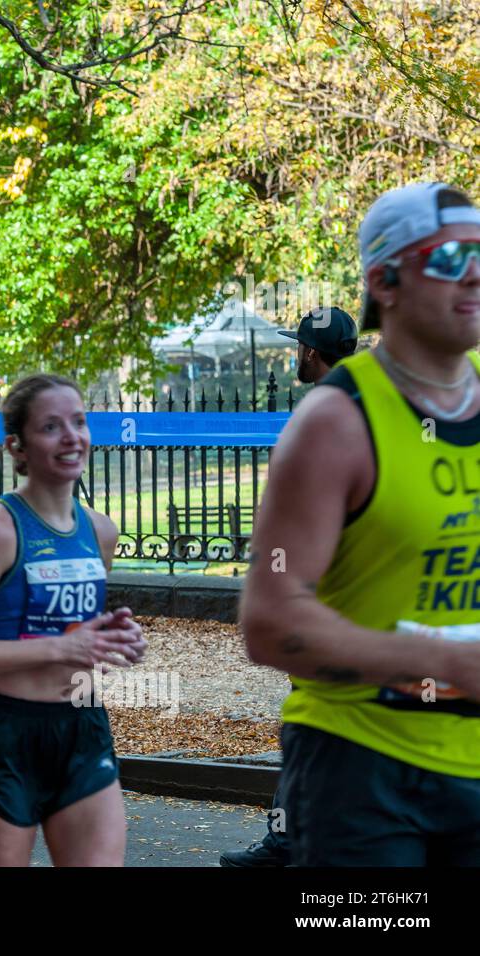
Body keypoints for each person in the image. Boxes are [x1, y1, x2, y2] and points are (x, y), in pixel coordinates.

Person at [241, 182, 480, 866]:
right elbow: (271, 623)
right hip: (361, 769)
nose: (474, 273)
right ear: (385, 281)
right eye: (448, 257)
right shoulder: (335, 423)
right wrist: (440, 662)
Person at [0, 373, 147, 867]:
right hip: (2, 739)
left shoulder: (100, 531)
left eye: (79, 421)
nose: (72, 436)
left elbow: (69, 628)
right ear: (17, 446)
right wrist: (61, 650)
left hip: (83, 730)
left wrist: (116, 638)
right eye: (51, 426)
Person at [220, 305, 359, 868]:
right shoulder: (376, 408)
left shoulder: (317, 419)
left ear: (307, 352)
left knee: (315, 717)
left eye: (297, 347)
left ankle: (287, 843)